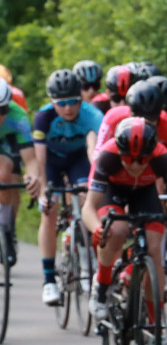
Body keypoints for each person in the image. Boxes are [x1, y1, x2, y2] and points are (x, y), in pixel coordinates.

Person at [83, 117, 167, 345]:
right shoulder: (108, 156)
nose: (135, 165)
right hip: (114, 192)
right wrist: (96, 228)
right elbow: (89, 207)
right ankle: (101, 286)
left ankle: (156, 328)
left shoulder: (162, 157)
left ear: (151, 154)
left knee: (154, 251)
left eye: (142, 159)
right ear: (120, 152)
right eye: (129, 158)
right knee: (116, 231)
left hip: (145, 193)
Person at [33, 69, 103, 305]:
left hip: (78, 160)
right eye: (61, 103)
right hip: (51, 161)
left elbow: (95, 154)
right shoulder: (43, 118)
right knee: (49, 210)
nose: (68, 108)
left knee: (86, 199)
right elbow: (39, 162)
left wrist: (95, 188)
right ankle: (49, 280)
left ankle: (86, 254)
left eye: (73, 101)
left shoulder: (92, 115)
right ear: (52, 102)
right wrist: (44, 194)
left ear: (80, 97)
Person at [0, 80, 43, 263]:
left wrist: (33, 177)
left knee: (6, 174)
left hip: (8, 142)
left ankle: (6, 226)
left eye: (2, 110)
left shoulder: (18, 117)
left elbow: (31, 160)